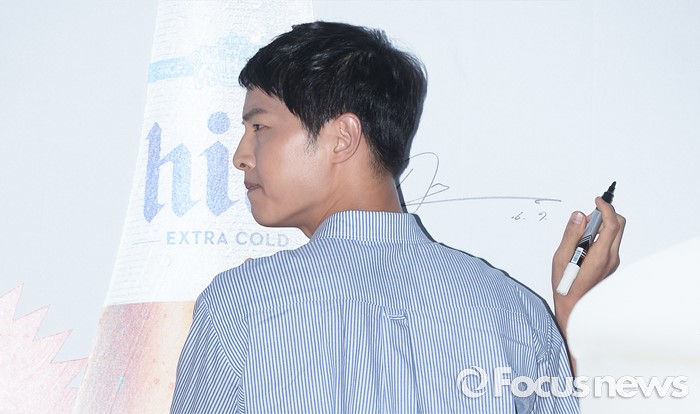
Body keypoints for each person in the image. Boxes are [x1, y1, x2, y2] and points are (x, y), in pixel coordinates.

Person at [171, 21, 624, 413]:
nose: (241, 156)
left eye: (259, 127)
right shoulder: (513, 312)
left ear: (342, 136)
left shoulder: (242, 305)